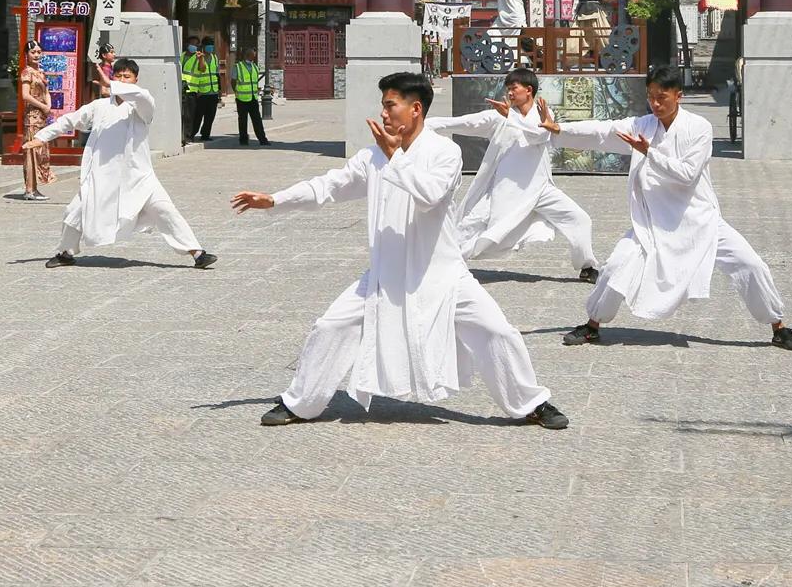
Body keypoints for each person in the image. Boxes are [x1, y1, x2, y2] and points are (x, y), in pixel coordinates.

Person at [233, 72, 568, 430]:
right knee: (330, 327)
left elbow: (430, 197)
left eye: (390, 105)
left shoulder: (445, 152)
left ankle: (532, 403)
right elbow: (329, 185)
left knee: (497, 331)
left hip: (442, 274)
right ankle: (299, 402)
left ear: (416, 109)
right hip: (385, 274)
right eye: (383, 106)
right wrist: (276, 200)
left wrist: (395, 157)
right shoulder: (372, 157)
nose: (384, 114)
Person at [548, 65, 792, 352]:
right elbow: (603, 132)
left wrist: (649, 152)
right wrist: (560, 129)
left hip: (700, 221)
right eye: (650, 97)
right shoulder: (642, 126)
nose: (656, 104)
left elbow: (687, 174)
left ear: (678, 96)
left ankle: (778, 326)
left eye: (662, 97)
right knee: (615, 268)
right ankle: (592, 326)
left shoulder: (699, 128)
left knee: (750, 264)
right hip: (652, 223)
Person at [31, 57, 217, 270]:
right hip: (102, 175)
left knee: (164, 209)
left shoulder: (141, 107)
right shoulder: (99, 106)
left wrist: (112, 85)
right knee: (75, 211)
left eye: (126, 76)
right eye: (117, 76)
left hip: (138, 176)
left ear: (136, 79)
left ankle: (197, 253)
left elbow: (143, 96)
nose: (121, 80)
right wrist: (42, 136)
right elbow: (70, 120)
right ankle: (65, 252)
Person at [429, 67, 600, 282]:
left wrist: (509, 115)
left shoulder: (544, 114)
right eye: (508, 89)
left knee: (580, 219)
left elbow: (538, 135)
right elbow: (468, 122)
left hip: (540, 189)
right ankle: (441, 262)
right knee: (471, 226)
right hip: (504, 191)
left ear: (528, 90)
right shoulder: (500, 116)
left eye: (514, 88)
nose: (509, 93)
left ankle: (587, 266)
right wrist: (429, 124)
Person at [19, 40, 54, 201]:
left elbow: (46, 91)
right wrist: (42, 105)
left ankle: (35, 187)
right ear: (27, 54)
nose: (37, 55)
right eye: (33, 52)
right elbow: (25, 95)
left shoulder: (41, 72)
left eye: (39, 52)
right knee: (32, 151)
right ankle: (29, 189)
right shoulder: (26, 73)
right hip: (32, 116)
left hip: (42, 116)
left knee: (41, 151)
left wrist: (49, 105)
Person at [232, 48, 269, 147]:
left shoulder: (255, 67)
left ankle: (262, 139)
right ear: (248, 55)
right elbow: (233, 81)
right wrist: (237, 92)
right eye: (254, 55)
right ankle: (243, 140)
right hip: (242, 98)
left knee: (257, 120)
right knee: (243, 120)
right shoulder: (238, 67)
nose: (255, 56)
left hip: (253, 98)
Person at [193, 37, 223, 141]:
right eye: (208, 45)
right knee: (198, 116)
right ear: (203, 46)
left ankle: (205, 134)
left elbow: (217, 74)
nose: (211, 47)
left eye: (212, 45)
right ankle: (191, 134)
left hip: (213, 91)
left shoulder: (215, 58)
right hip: (202, 92)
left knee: (210, 116)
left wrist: (219, 89)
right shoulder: (198, 57)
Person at [178, 38, 203, 142]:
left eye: (196, 45)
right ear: (187, 44)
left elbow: (202, 69)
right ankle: (180, 135)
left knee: (189, 115)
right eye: (192, 44)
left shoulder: (198, 57)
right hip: (179, 88)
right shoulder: (181, 55)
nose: (194, 46)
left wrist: (201, 59)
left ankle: (188, 136)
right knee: (180, 114)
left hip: (191, 90)